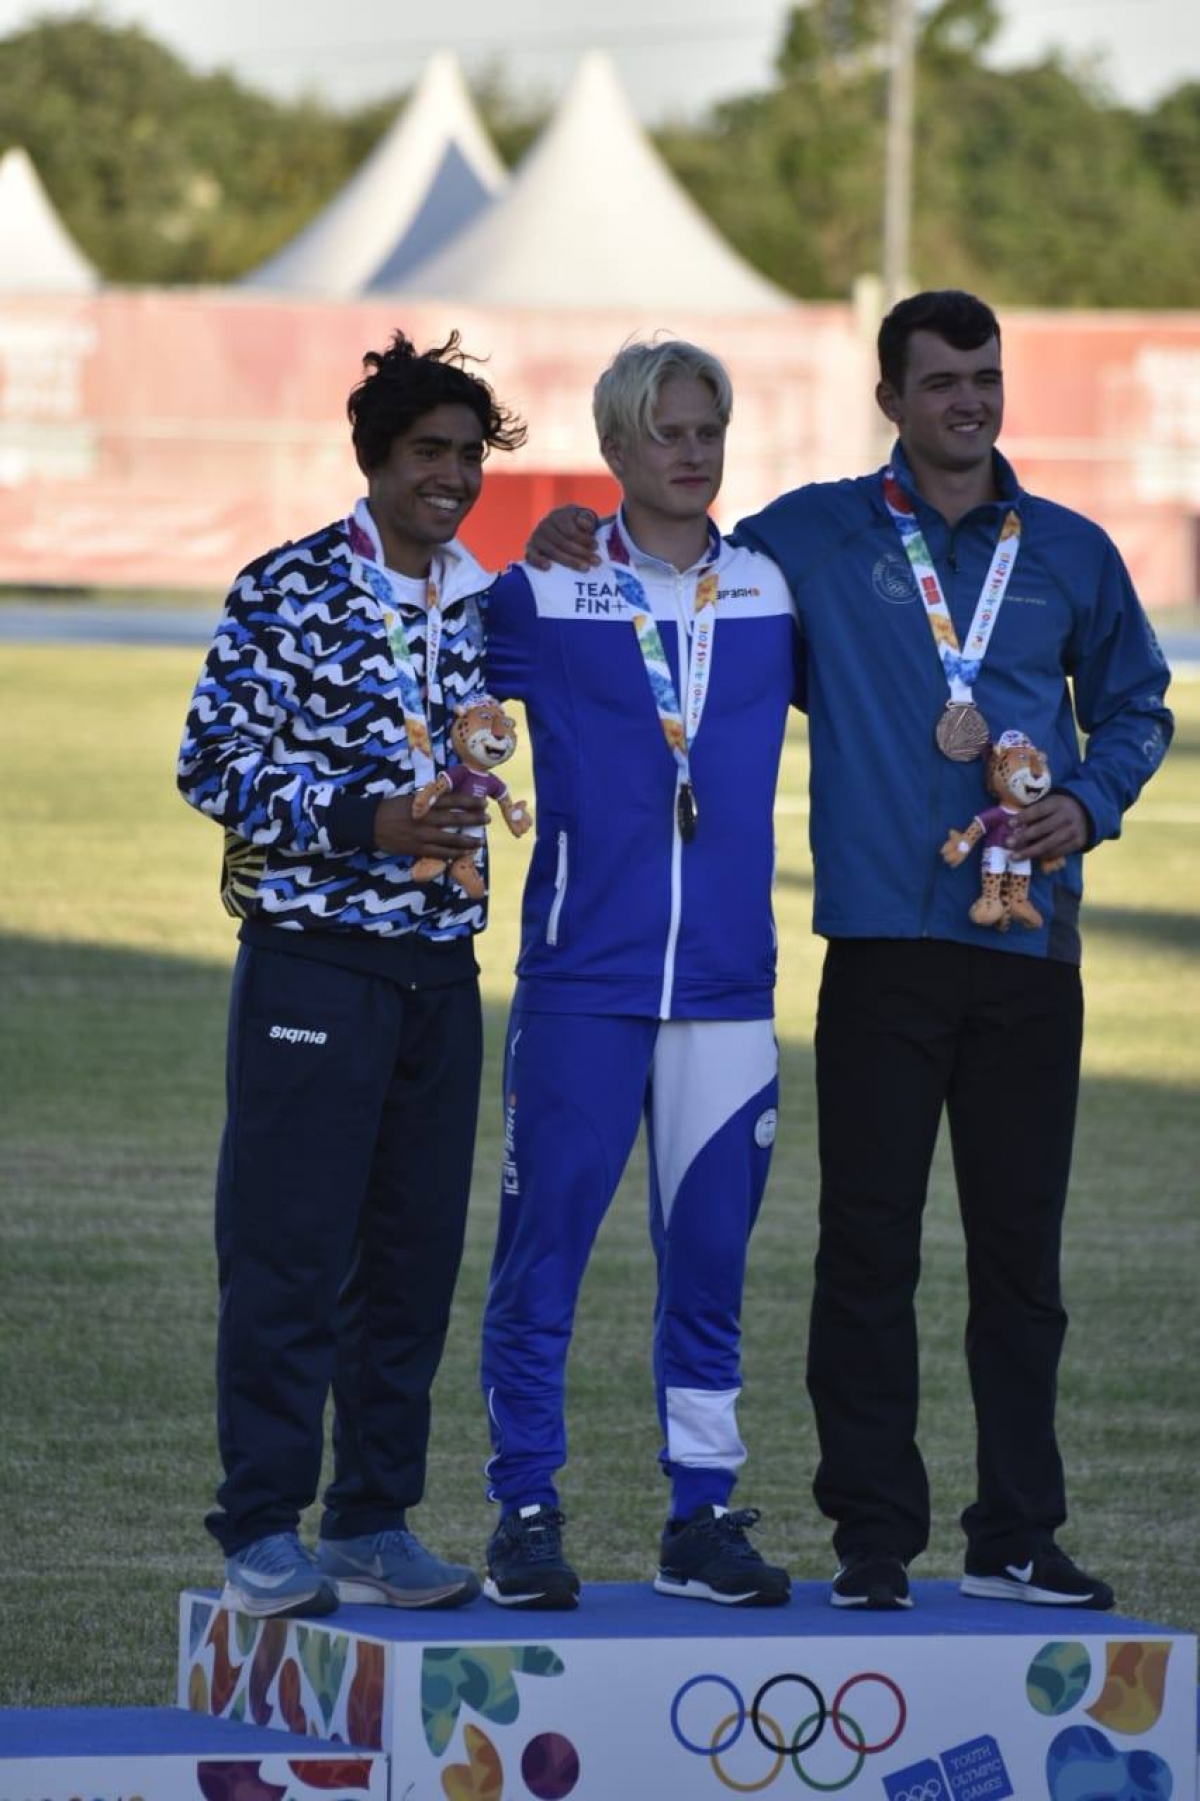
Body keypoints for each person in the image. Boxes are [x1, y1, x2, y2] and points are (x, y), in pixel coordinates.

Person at [532, 291, 1173, 1613]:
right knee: (867, 1251)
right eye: (940, 382)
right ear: (890, 399)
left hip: (1029, 946)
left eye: (985, 378)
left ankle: (1014, 1533)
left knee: (1020, 1260)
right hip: (879, 948)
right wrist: (575, 542)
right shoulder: (814, 538)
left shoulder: (1068, 551)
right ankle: (871, 1535)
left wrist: (1089, 802)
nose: (969, 403)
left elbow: (1138, 706)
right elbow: (676, 560)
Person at [177, 330, 524, 1618]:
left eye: (467, 456)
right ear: (372, 456)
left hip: (441, 968)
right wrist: (364, 818)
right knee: (287, 1252)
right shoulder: (289, 587)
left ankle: (372, 1518)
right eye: (427, 453)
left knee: (413, 1254)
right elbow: (211, 764)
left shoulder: (487, 599)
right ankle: (261, 1525)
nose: (450, 477)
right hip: (313, 964)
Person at [478, 339, 801, 1610]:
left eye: (707, 429)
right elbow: (444, 695)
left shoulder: (776, 589)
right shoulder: (543, 592)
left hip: (727, 986)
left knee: (710, 1264)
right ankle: (525, 1510)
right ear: (614, 449)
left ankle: (702, 1514)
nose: (691, 451)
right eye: (665, 432)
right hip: (583, 982)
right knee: (541, 1258)